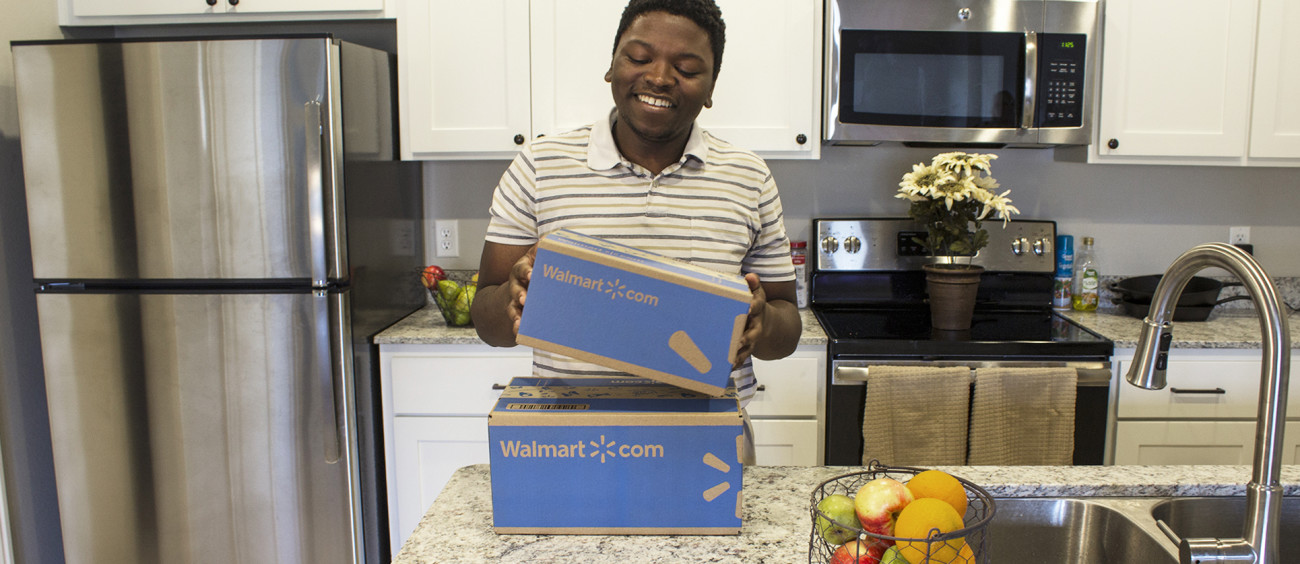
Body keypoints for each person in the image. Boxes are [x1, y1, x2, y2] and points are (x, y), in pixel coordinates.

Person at [471, 0, 801, 462]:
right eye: (640, 58)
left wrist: (762, 324)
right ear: (611, 67)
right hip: (570, 440)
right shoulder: (540, 166)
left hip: (710, 440)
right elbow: (486, 318)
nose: (660, 77)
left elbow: (787, 325)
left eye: (686, 67)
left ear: (710, 89)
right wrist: (513, 297)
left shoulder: (748, 176)